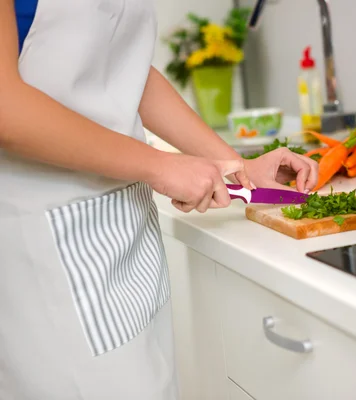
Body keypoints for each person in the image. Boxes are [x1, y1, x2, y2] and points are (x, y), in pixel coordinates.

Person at [0, 0, 318, 399]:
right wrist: (159, 165)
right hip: (44, 245)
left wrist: (236, 167)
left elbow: (124, 69)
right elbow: (5, 107)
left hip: (127, 233)